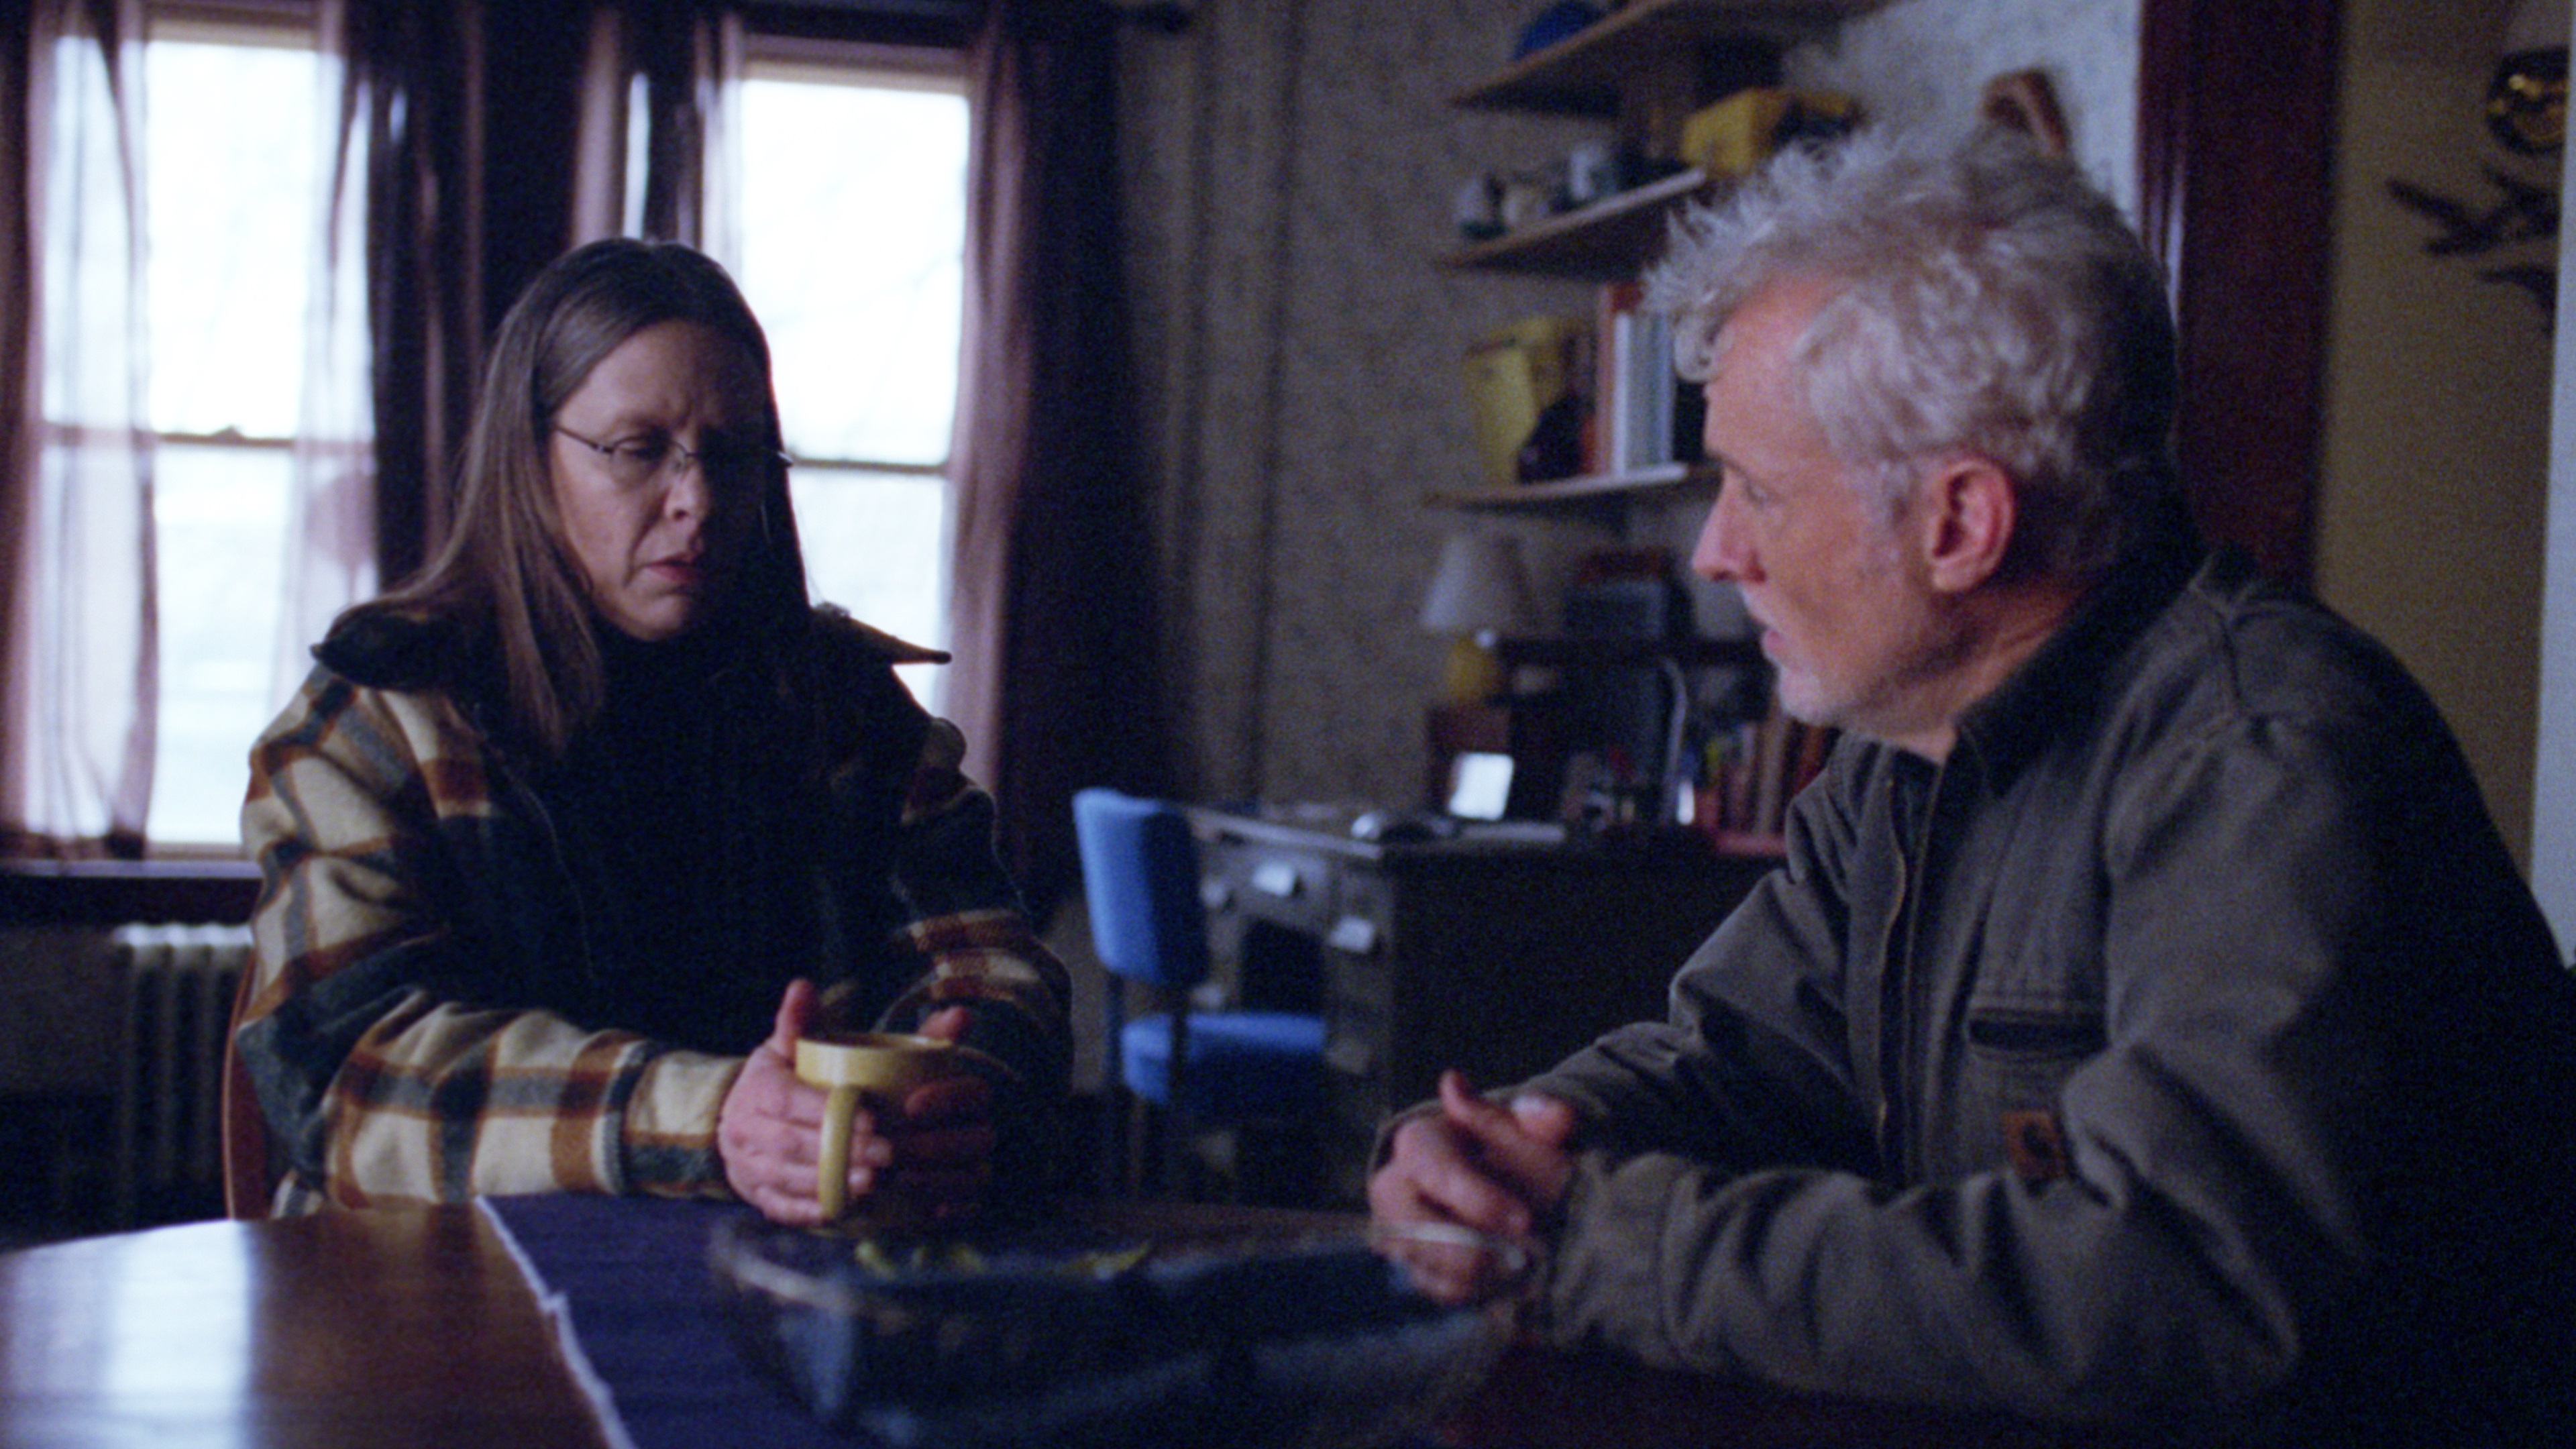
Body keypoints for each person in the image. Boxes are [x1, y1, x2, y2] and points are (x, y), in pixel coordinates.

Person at [1369, 127, 2576, 1445]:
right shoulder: (1905, 758)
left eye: (1755, 493)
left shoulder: (2263, 761)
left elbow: (2185, 1289)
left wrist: (1599, 1247)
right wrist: (1497, 1164)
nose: (1715, 554)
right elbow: (1736, 1065)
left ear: (1959, 523)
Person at [232, 237, 1071, 1226]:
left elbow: (990, 967)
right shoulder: (377, 717)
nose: (696, 503)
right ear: (529, 457)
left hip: (793, 1272)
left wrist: (953, 1102)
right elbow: (347, 1078)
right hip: (436, 1281)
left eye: (731, 454)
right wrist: (707, 1121)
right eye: (637, 450)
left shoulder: (850, 714)